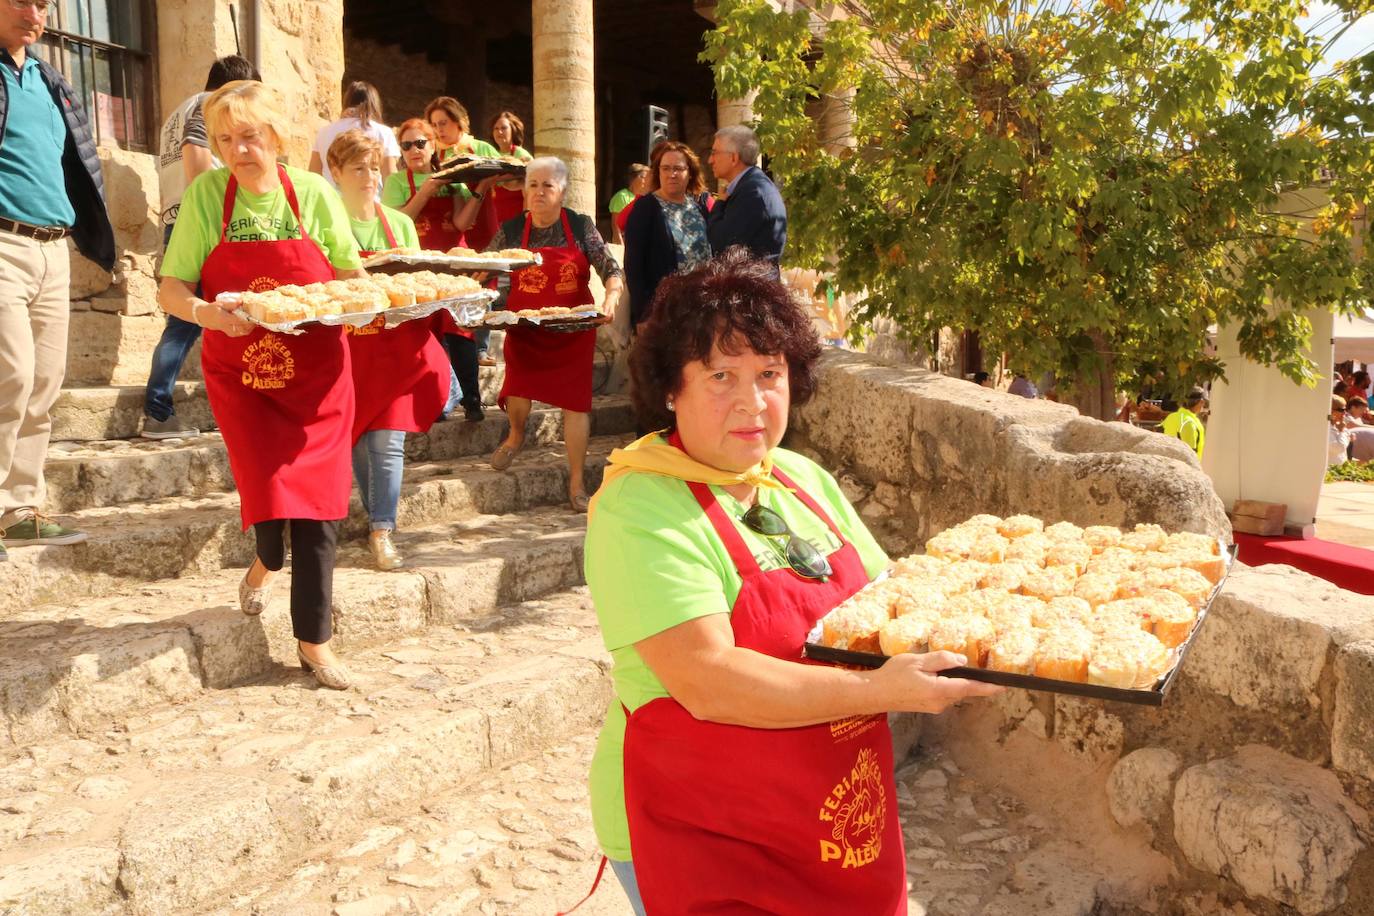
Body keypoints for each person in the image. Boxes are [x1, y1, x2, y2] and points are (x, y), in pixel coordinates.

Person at [584, 251, 1001, 915]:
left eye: (770, 373)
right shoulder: (642, 507)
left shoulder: (799, 478)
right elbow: (706, 678)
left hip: (822, 808)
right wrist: (877, 690)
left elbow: (888, 596)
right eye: (721, 375)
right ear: (670, 386)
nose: (753, 402)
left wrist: (1001, 602)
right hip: (706, 826)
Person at [158, 81, 364, 689]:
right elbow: (172, 287)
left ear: (275, 137)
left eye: (249, 136)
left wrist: (360, 304)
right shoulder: (205, 196)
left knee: (321, 510)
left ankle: (314, 642)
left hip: (319, 379)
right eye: (225, 139)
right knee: (273, 513)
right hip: (243, 377)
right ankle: (262, 565)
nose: (237, 150)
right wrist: (207, 315)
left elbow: (350, 273)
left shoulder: (314, 193)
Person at [0, 0, 114, 559]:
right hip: (1, 242)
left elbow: (79, 160)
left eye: (44, 3)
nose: (35, 12)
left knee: (45, 382)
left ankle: (19, 509)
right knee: (11, 375)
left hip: (52, 246)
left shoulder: (50, 79)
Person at [329, 129, 449, 571]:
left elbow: (416, 289)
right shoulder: (326, 225)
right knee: (359, 438)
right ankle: (376, 519)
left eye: (375, 167)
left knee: (386, 442)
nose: (369, 176)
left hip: (396, 349)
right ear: (336, 173)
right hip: (348, 353)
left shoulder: (398, 225)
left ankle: (382, 529)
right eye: (358, 168)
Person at [485, 157, 625, 512]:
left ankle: (577, 483)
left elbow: (610, 268)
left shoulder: (579, 226)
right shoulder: (513, 229)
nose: (539, 192)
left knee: (576, 405)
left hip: (573, 331)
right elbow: (482, 266)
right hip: (526, 327)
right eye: (533, 185)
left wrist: (611, 297)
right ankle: (516, 435)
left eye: (548, 186)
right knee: (518, 387)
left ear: (562, 191)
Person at [142, 54, 260, 440]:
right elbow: (197, 159)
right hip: (202, 221)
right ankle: (158, 414)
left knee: (190, 318)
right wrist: (213, 214)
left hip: (175, 217)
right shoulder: (209, 107)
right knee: (193, 320)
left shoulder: (177, 111)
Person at [381, 118, 487, 423]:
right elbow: (397, 221)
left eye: (420, 143)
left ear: (432, 145)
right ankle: (437, 400)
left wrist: (480, 189)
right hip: (417, 267)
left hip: (453, 262)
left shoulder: (452, 178)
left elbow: (460, 223)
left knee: (460, 329)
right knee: (426, 333)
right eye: (407, 145)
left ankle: (472, 400)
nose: (414, 150)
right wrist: (427, 190)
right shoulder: (396, 183)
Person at [623, 141, 712, 329]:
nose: (672, 174)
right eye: (666, 168)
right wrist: (643, 315)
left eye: (678, 168)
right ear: (658, 172)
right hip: (664, 312)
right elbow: (634, 265)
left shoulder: (699, 206)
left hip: (703, 308)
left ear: (690, 173)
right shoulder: (646, 208)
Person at [471, 109, 534, 365]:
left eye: (503, 128)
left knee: (522, 282)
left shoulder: (523, 157)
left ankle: (526, 344)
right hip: (495, 226)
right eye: (496, 128)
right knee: (487, 281)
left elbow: (528, 188)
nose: (499, 132)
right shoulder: (492, 157)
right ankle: (480, 349)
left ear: (513, 131)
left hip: (516, 227)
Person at [705, 125, 788, 273]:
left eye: (714, 153)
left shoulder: (752, 193)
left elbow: (721, 244)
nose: (710, 160)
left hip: (751, 289)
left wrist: (718, 204)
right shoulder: (754, 186)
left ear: (734, 158)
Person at [309, 80, 400, 189]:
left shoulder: (324, 132)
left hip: (331, 201)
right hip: (370, 200)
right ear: (374, 103)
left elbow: (313, 176)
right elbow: (390, 178)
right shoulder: (383, 132)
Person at [424, 96, 499, 162]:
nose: (439, 129)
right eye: (434, 125)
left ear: (458, 121)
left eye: (443, 123)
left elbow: (507, 174)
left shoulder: (483, 148)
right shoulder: (429, 153)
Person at [609, 163, 651, 245]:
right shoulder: (622, 196)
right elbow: (616, 226)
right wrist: (621, 246)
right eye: (643, 177)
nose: (647, 181)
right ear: (633, 179)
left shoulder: (646, 199)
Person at [1161, 388, 1207, 460]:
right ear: (1201, 402)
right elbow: (1190, 455)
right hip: (1184, 467)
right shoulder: (1189, 423)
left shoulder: (1171, 416)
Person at [1329, 396, 1353, 467]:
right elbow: (1339, 448)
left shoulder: (1337, 426)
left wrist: (1342, 431)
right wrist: (1342, 432)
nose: (1345, 413)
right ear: (1331, 411)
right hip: (1330, 472)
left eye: (1345, 409)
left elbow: (1349, 437)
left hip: (1339, 471)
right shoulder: (1324, 429)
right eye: (1341, 410)